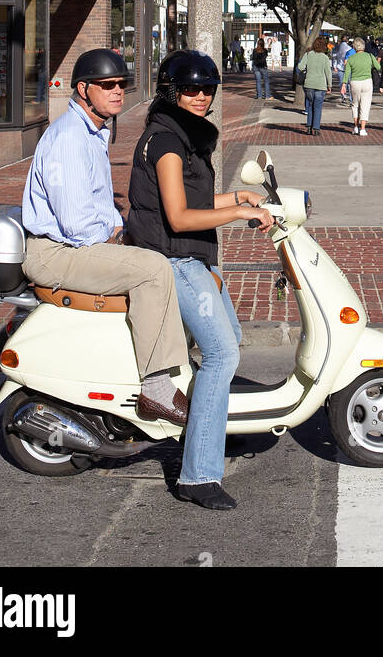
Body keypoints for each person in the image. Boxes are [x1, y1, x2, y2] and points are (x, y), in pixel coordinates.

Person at [126, 51, 273, 510]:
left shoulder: (183, 137)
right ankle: (198, 476)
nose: (201, 97)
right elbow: (179, 216)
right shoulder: (167, 142)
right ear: (171, 92)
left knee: (231, 339)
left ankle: (207, 426)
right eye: (191, 89)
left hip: (193, 257)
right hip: (175, 260)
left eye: (207, 89)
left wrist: (239, 195)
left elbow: (197, 200)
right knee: (222, 353)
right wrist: (239, 212)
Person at [21, 49, 190, 427]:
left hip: (73, 245)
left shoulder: (92, 131)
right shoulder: (69, 137)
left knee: (158, 254)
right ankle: (156, 388)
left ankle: (168, 363)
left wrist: (122, 231)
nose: (117, 91)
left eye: (121, 84)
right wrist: (115, 239)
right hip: (56, 252)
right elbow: (77, 223)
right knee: (152, 270)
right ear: (83, 89)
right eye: (107, 85)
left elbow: (100, 205)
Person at [342, 39, 381, 136]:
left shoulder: (351, 58)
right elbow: (378, 67)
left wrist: (343, 84)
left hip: (355, 82)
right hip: (367, 82)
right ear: (363, 46)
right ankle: (363, 129)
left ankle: (356, 127)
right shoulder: (369, 56)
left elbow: (347, 73)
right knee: (365, 105)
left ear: (354, 47)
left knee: (355, 105)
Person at [297, 36, 332, 135]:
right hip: (321, 85)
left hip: (309, 83)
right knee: (317, 107)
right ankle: (316, 128)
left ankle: (309, 127)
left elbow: (300, 66)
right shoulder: (325, 57)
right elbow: (328, 73)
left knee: (310, 105)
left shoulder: (308, 54)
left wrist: (306, 70)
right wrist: (329, 85)